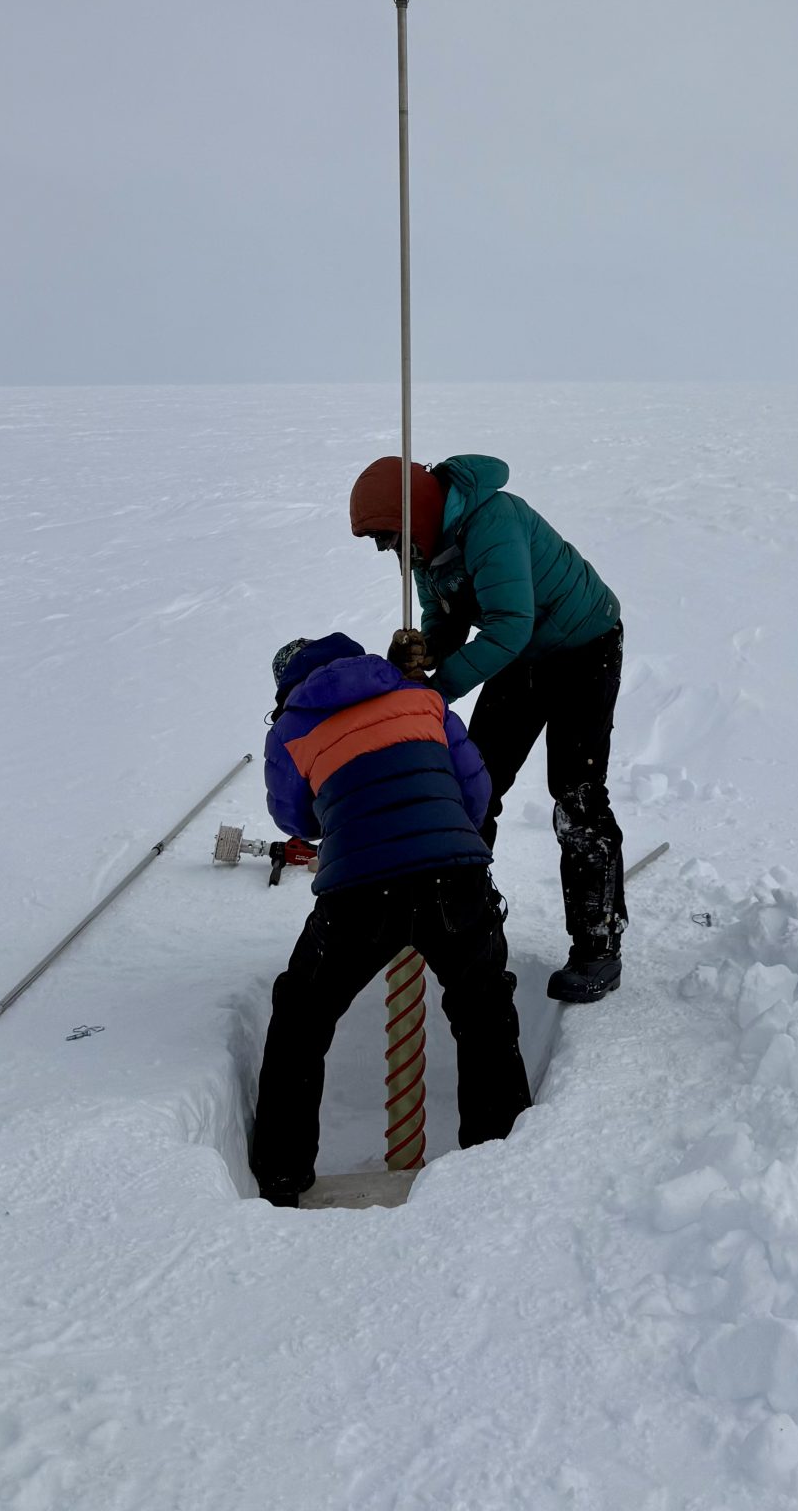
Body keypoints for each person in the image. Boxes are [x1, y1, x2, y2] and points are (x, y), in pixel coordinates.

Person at [246, 630, 530, 1207]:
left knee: (302, 1019)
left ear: (288, 685)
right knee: (483, 1010)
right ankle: (502, 1161)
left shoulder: (291, 727)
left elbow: (293, 818)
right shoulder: (419, 697)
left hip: (359, 887)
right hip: (455, 875)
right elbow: (474, 787)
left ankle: (281, 1175)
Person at [349, 453, 628, 1003]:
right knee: (472, 787)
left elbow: (509, 622)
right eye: (381, 543)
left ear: (417, 513)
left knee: (576, 797)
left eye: (389, 537)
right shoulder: (424, 547)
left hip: (582, 646)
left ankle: (598, 946)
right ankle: (464, 925)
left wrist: (436, 689)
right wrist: (427, 652)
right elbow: (447, 616)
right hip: (519, 655)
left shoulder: (493, 521)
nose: (389, 551)